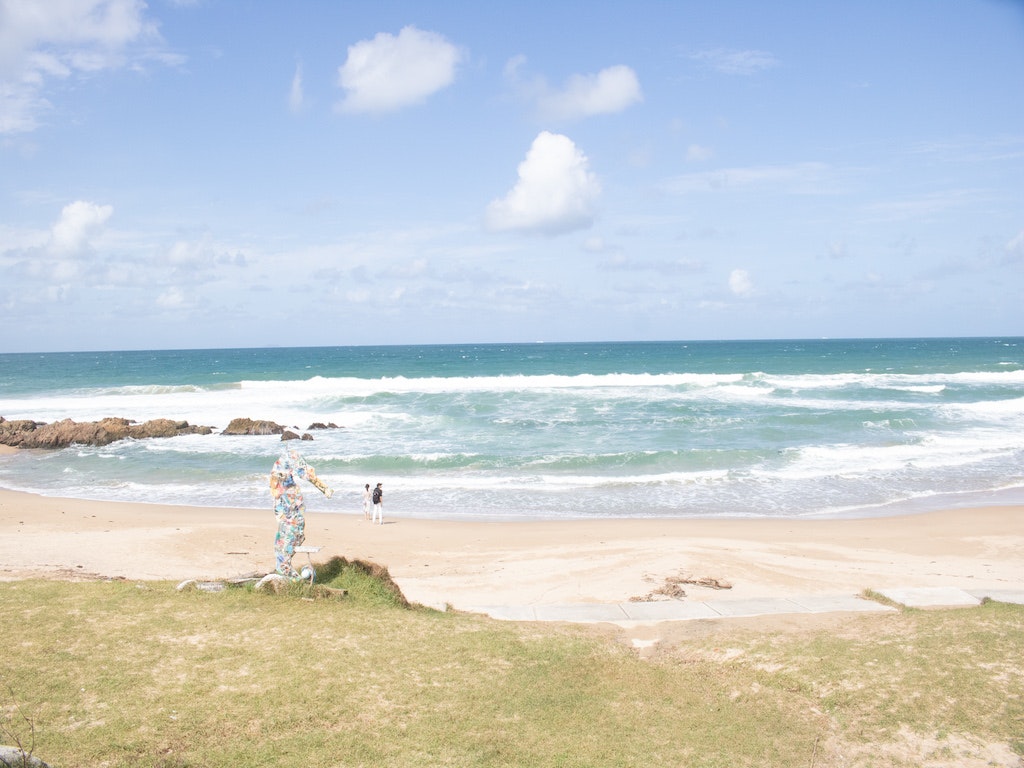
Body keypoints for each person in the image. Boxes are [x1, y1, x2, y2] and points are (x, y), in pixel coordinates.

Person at [268, 447, 333, 579]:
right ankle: (284, 568)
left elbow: (306, 473)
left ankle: (284, 567)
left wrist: (324, 488)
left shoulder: (280, 470)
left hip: (284, 504)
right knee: (291, 533)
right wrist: (325, 488)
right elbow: (307, 474)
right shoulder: (285, 469)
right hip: (286, 505)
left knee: (289, 534)